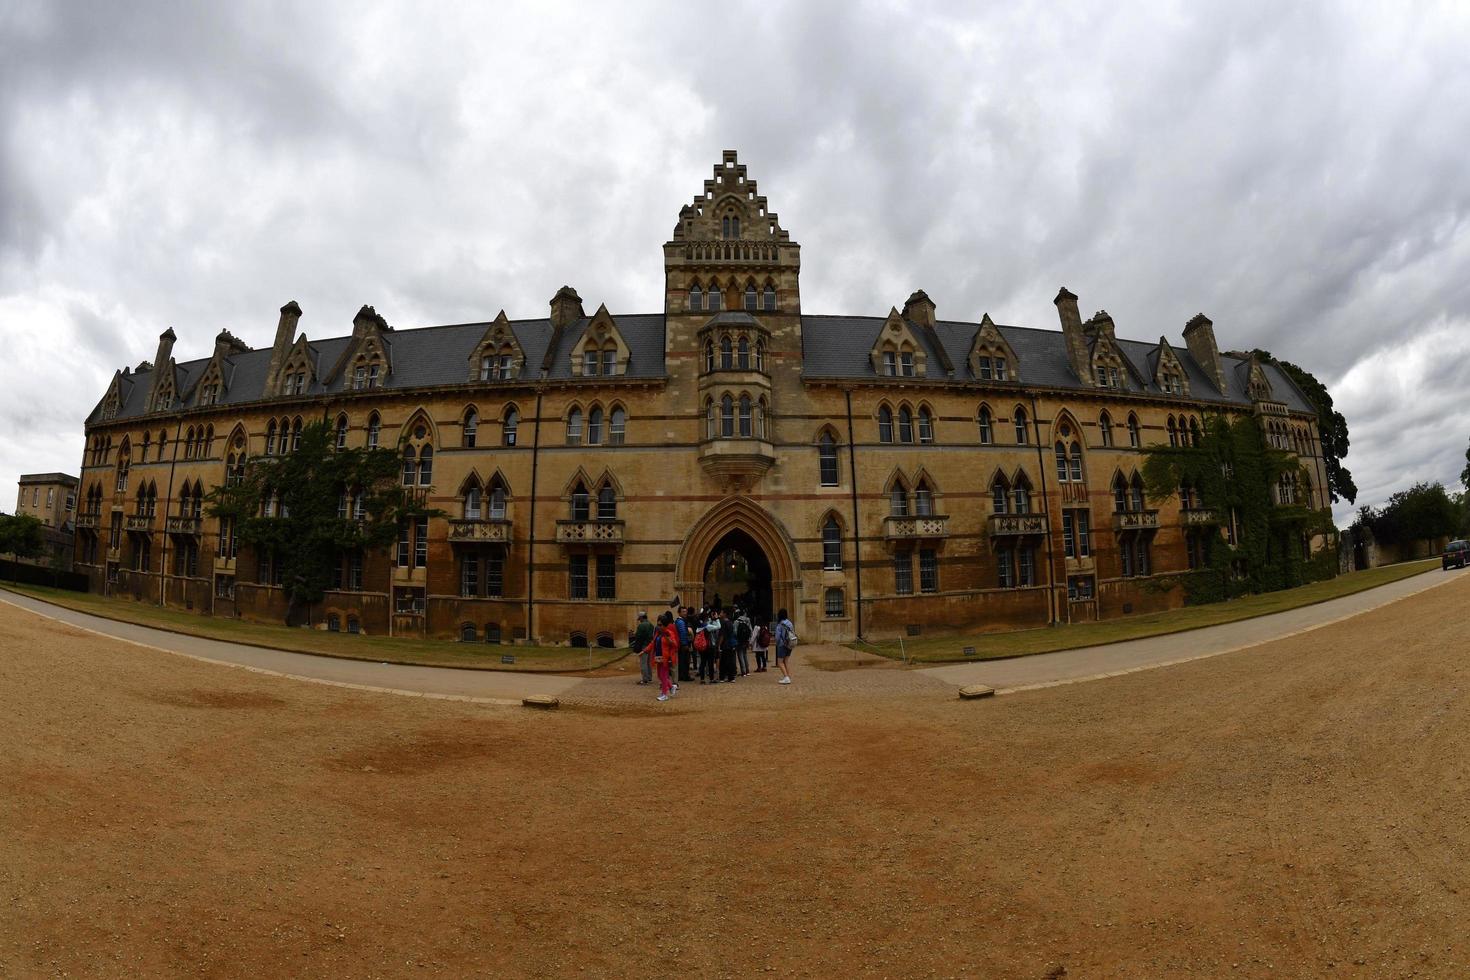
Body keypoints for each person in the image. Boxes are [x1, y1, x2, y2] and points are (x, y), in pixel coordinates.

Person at [654, 611, 679, 701]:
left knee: (664, 676)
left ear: (665, 625)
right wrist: (645, 651)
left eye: (660, 625)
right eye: (658, 624)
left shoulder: (669, 633)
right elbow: (653, 643)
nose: (658, 626)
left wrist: (668, 639)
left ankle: (664, 694)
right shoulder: (658, 633)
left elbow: (675, 644)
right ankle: (671, 687)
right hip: (659, 657)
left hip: (666, 658)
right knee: (660, 676)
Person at [773, 608, 795, 684]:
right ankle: (788, 676)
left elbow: (777, 637)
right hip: (790, 643)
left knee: (780, 662)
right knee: (786, 661)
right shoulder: (790, 623)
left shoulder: (780, 625)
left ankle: (786, 677)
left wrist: (777, 643)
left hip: (782, 645)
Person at [632, 610, 654, 685]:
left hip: (644, 645)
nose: (639, 620)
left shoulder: (641, 625)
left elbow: (638, 637)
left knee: (643, 663)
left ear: (641, 617)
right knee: (648, 663)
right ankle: (649, 677)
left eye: (640, 618)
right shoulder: (651, 625)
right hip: (650, 645)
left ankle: (645, 679)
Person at [698, 611, 720, 684]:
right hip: (709, 646)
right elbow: (718, 626)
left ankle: (702, 679)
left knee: (703, 663)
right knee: (710, 663)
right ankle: (711, 678)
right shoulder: (708, 626)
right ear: (707, 618)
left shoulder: (699, 626)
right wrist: (717, 618)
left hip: (701, 646)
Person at [674, 607, 693, 683]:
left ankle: (682, 675)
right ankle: (684, 676)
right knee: (685, 660)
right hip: (683, 644)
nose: (685, 613)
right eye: (683, 612)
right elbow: (682, 633)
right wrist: (685, 644)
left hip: (681, 644)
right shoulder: (681, 622)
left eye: (686, 611)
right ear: (679, 613)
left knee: (682, 660)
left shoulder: (679, 621)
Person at [718, 610, 738, 682]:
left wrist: (719, 645)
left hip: (725, 644)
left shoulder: (723, 623)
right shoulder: (730, 622)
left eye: (721, 612)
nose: (720, 614)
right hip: (731, 644)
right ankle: (731, 677)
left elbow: (722, 635)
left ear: (724, 614)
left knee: (723, 661)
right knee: (731, 661)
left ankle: (722, 677)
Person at [733, 608, 752, 677]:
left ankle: (743, 671)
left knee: (740, 655)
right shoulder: (748, 620)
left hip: (739, 640)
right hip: (746, 640)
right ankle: (747, 670)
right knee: (745, 654)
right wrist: (749, 640)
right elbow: (750, 630)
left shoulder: (736, 621)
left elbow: (735, 632)